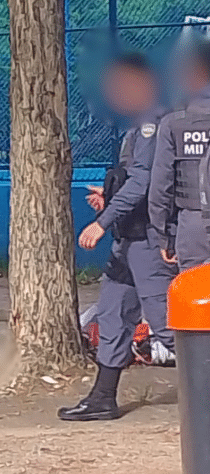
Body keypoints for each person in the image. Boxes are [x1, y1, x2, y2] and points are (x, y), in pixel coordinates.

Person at [58, 53, 177, 422]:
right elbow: (131, 180)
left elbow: (143, 183)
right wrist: (108, 198)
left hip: (149, 239)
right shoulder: (138, 124)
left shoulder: (155, 123)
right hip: (128, 239)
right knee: (112, 312)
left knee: (168, 326)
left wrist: (102, 221)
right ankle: (102, 398)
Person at [149, 40, 210, 272]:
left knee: (194, 289)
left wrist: (163, 235)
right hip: (193, 220)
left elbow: (160, 185)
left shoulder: (173, 124)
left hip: (193, 225)